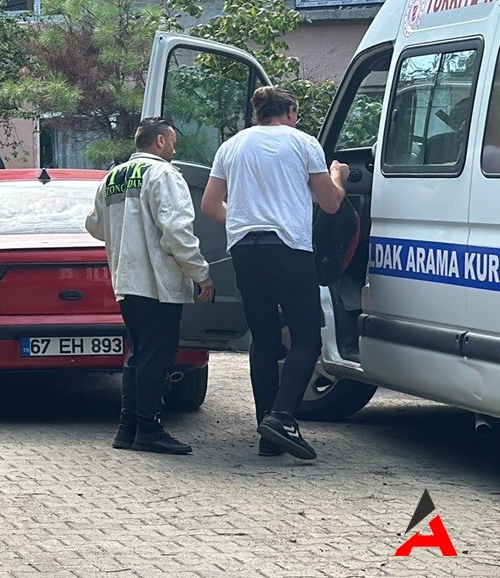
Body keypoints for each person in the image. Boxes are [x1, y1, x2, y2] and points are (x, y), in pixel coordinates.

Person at [201, 86, 350, 460]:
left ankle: (268, 435)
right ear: (290, 112)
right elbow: (330, 204)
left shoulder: (231, 147)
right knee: (306, 339)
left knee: (264, 339)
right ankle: (282, 417)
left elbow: (209, 204)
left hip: (245, 250)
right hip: (289, 248)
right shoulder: (303, 143)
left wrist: (238, 224)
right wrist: (338, 175)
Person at [85, 118, 215, 456]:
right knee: (157, 357)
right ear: (159, 141)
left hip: (126, 280)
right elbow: (176, 232)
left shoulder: (112, 177)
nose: (174, 148)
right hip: (158, 281)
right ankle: (149, 429)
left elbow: (94, 226)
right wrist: (201, 273)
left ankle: (128, 428)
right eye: (172, 141)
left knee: (139, 354)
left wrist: (127, 230)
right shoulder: (164, 175)